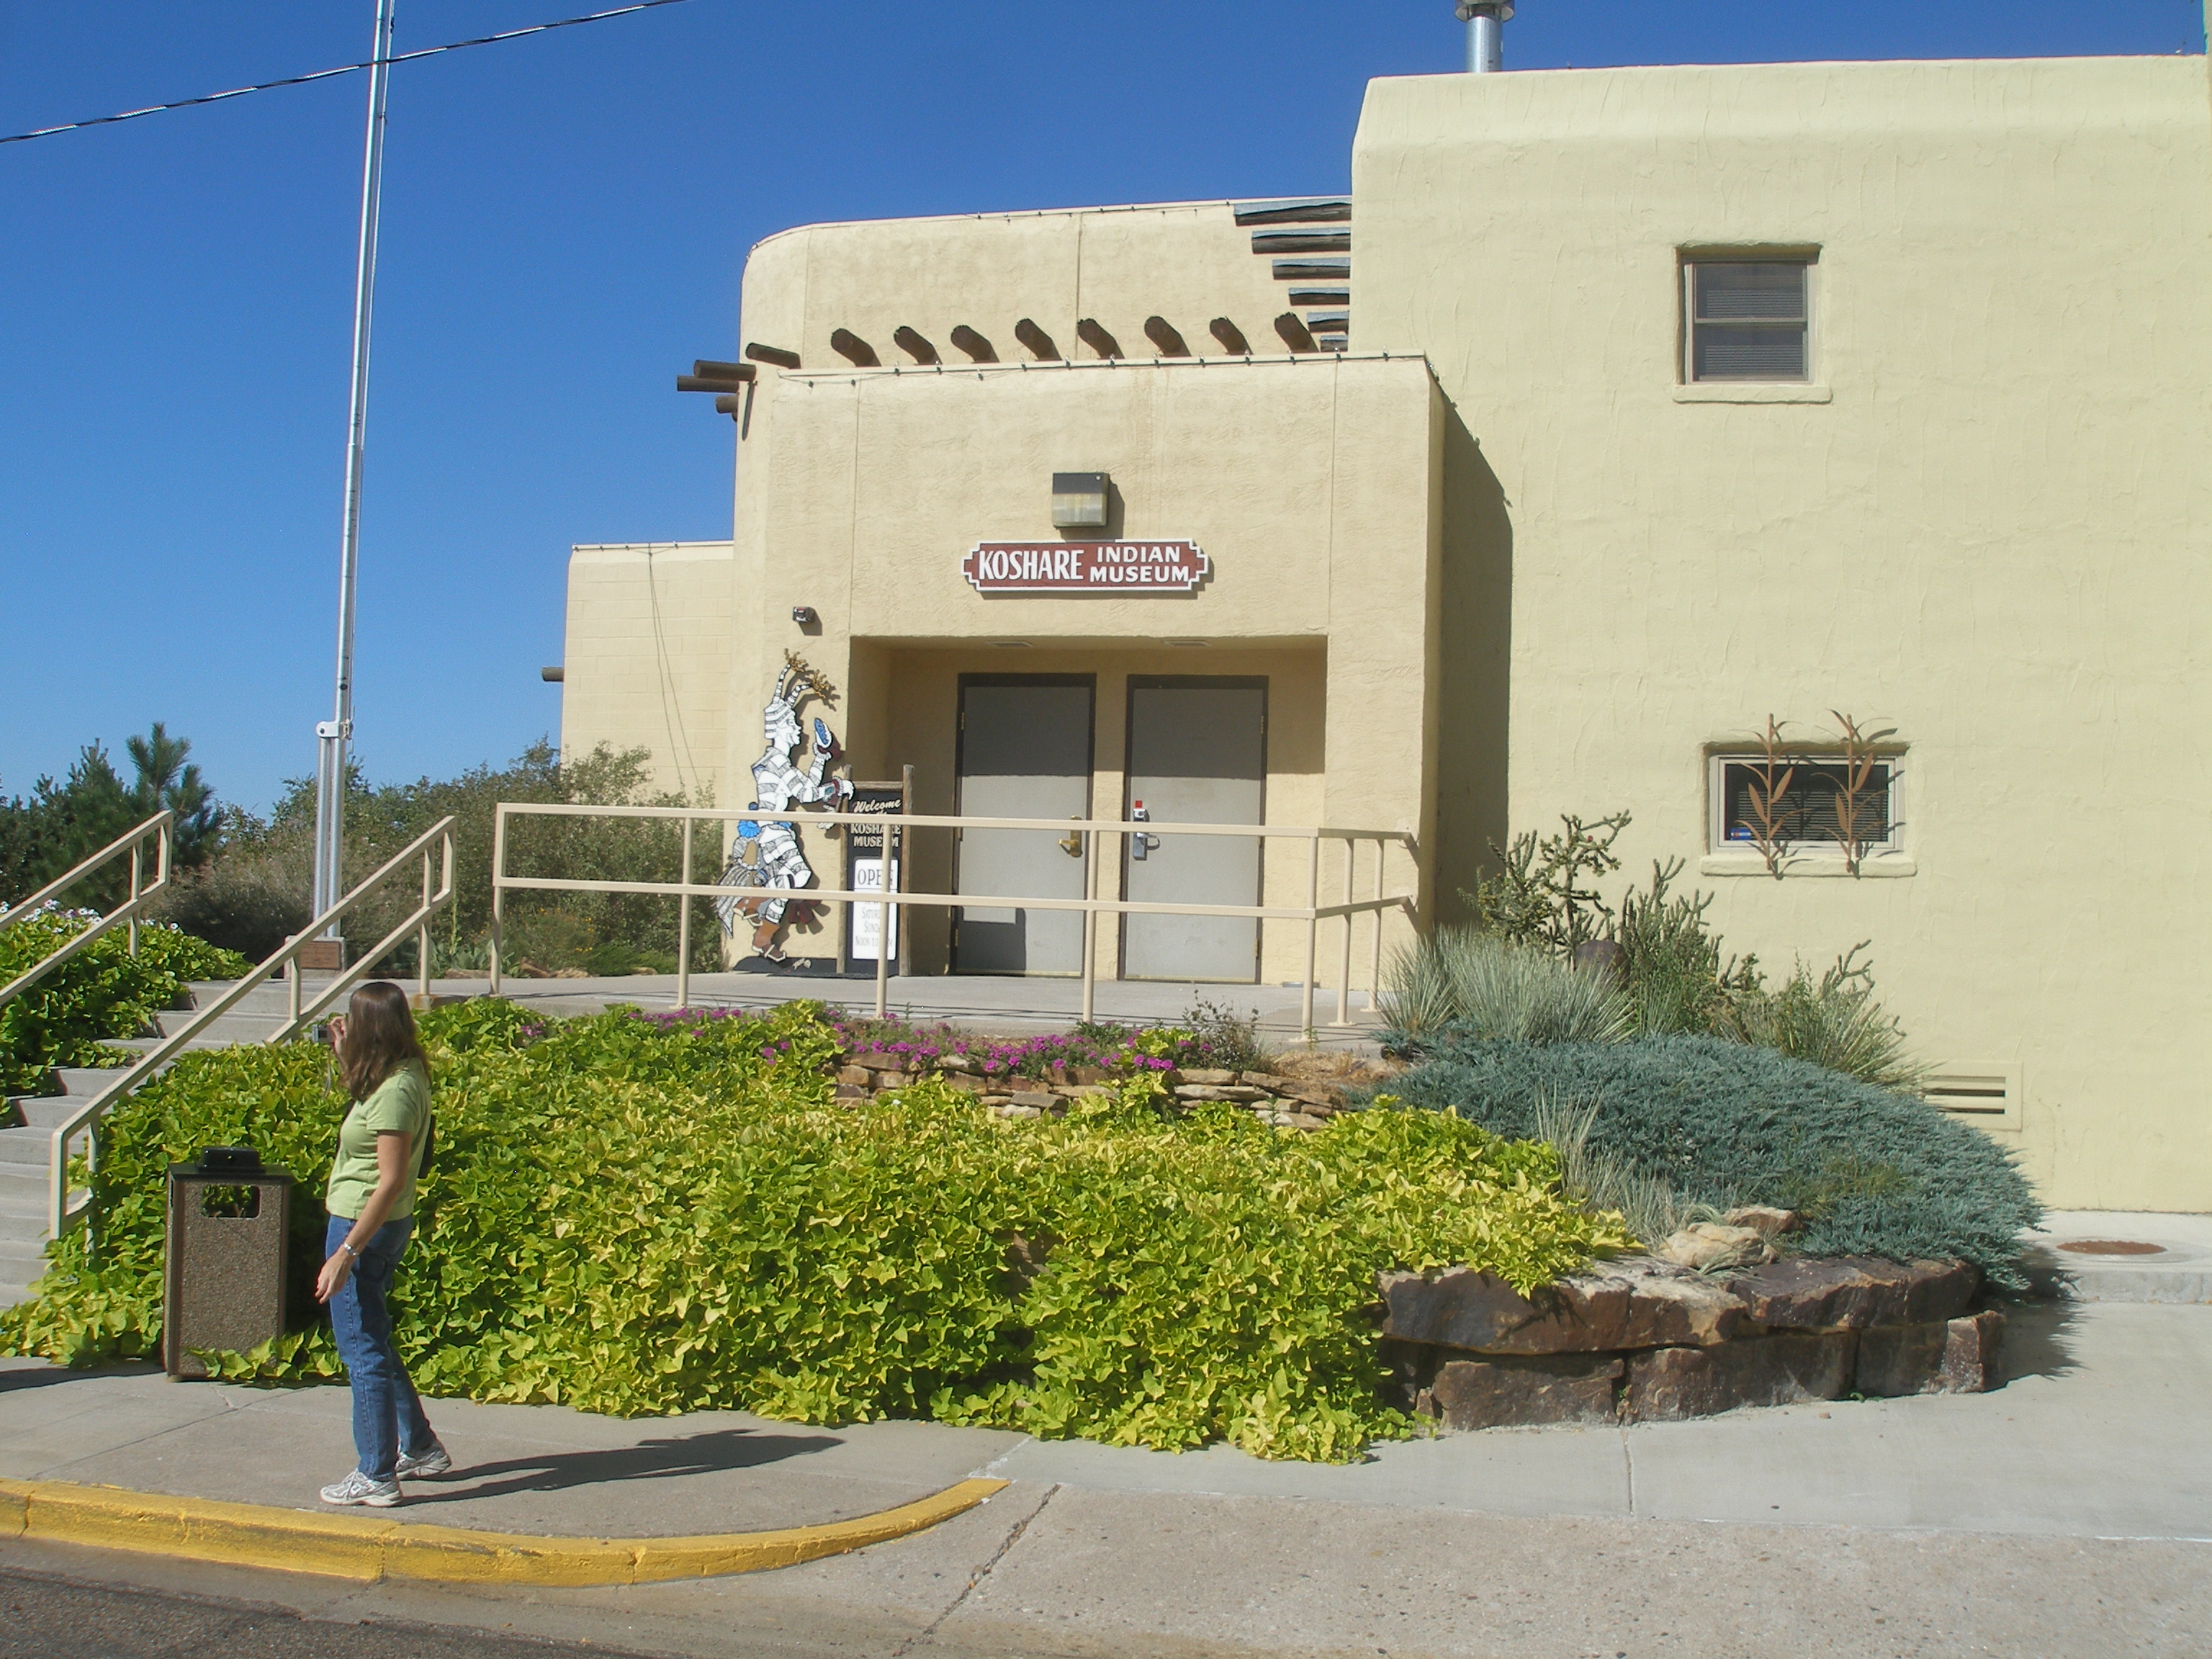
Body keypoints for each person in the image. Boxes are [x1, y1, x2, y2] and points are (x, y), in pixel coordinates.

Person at [315, 981, 450, 1507]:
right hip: (378, 1224)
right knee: (373, 1334)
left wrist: (345, 1254)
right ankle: (419, 1446)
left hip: (363, 1226)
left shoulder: (395, 1091)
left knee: (362, 1349)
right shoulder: (402, 1073)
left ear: (371, 1028)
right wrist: (344, 1055)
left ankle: (376, 1474)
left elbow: (389, 1178)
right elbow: (370, 1113)